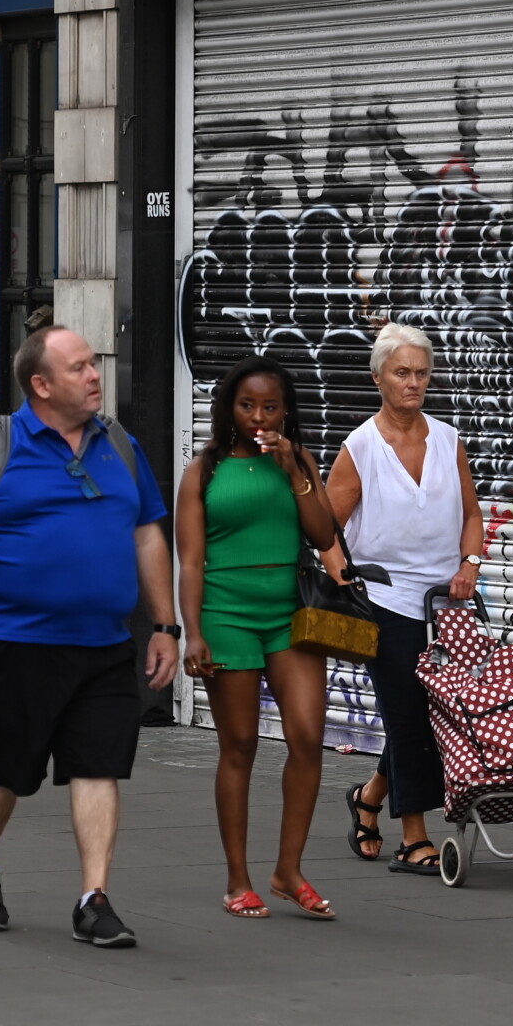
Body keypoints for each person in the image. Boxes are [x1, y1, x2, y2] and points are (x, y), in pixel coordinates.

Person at [0, 326, 178, 949]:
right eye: (79, 367)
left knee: (98, 767)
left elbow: (147, 535)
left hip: (104, 644)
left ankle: (94, 899)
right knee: (6, 772)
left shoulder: (120, 444)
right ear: (41, 385)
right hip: (16, 643)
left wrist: (165, 625)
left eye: (94, 364)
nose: (95, 376)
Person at [176, 356, 339, 919]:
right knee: (239, 745)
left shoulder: (302, 463)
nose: (259, 416)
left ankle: (288, 871)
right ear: (230, 409)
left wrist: (296, 472)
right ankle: (237, 878)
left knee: (308, 738)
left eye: (271, 406)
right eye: (248, 405)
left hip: (289, 617)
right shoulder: (204, 470)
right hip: (226, 614)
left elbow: (323, 535)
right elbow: (191, 562)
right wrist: (192, 633)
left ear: (287, 410)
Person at [326, 323, 483, 875]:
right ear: (378, 378)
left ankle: (368, 799)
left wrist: (471, 564)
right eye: (402, 373)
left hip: (447, 605)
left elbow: (470, 514)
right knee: (408, 719)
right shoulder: (362, 447)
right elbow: (326, 529)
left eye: (421, 373)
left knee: (439, 715)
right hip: (386, 605)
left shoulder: (447, 439)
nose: (413, 383)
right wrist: (347, 585)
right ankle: (413, 838)